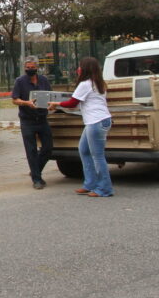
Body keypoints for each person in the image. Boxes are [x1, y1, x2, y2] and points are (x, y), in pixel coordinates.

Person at [48, 57, 113, 197]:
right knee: (83, 150)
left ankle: (104, 188)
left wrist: (56, 104)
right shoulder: (99, 83)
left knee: (98, 156)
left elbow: (72, 103)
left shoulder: (85, 84)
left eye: (80, 67)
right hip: (99, 121)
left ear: (85, 69)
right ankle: (90, 183)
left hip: (96, 122)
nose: (78, 69)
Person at [12, 56, 53, 190]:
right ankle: (37, 179)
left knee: (48, 148)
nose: (30, 69)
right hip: (27, 120)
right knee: (31, 150)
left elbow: (50, 95)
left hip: (42, 118)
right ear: (25, 68)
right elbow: (15, 99)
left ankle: (36, 170)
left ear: (37, 67)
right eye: (27, 68)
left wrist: (52, 104)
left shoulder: (43, 80)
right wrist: (26, 103)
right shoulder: (20, 81)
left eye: (32, 67)